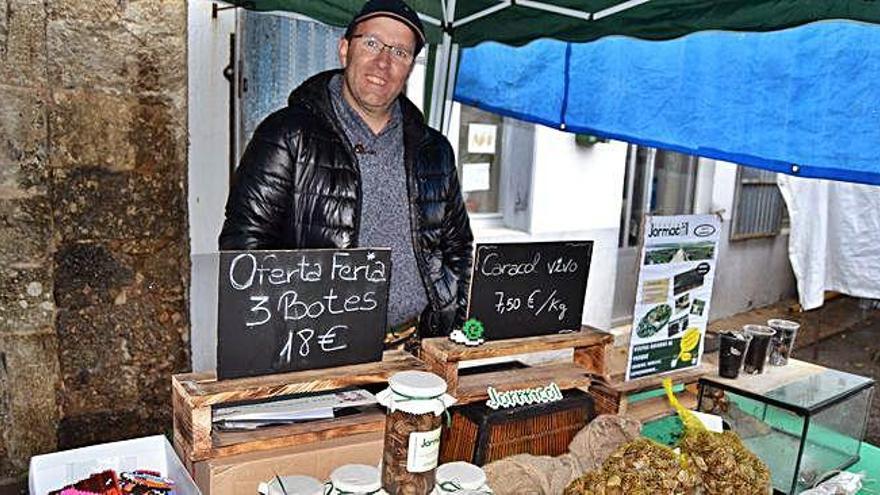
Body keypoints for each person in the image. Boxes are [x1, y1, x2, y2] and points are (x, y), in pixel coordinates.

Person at [219, 0, 473, 339]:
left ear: (410, 67)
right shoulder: (287, 136)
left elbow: (458, 247)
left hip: (418, 349)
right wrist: (292, 335)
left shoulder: (435, 151)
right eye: (371, 43)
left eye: (400, 52)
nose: (383, 62)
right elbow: (244, 249)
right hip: (320, 347)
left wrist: (452, 326)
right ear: (344, 49)